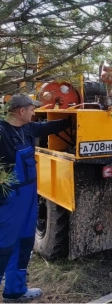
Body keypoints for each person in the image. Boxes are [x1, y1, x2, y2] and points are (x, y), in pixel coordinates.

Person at [0, 94, 71, 302]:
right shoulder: (2, 133)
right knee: (4, 246)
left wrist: (71, 120)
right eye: (32, 109)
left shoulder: (28, 129)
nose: (34, 113)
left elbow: (50, 127)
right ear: (21, 111)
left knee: (24, 243)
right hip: (9, 201)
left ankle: (15, 290)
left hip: (29, 198)